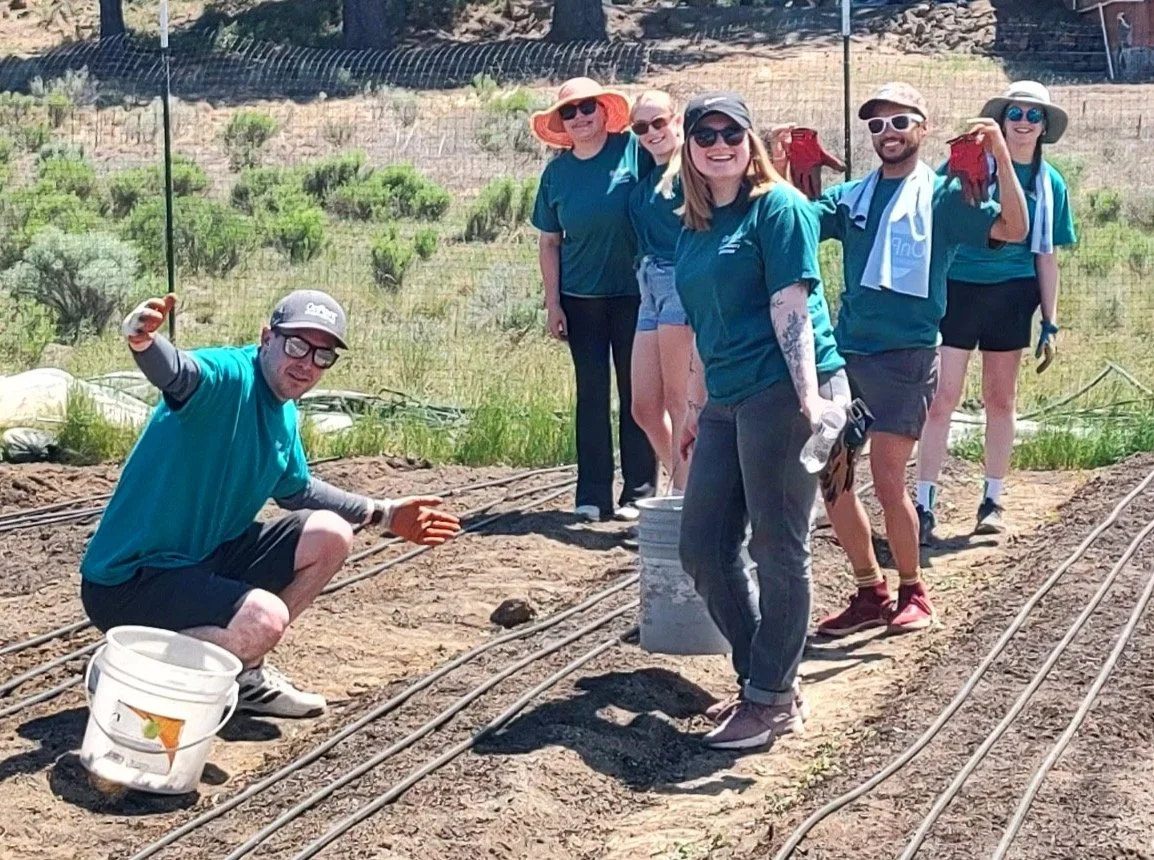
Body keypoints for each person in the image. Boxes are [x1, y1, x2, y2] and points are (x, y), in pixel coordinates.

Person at [80, 290, 462, 718]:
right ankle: (129, 668)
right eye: (297, 345)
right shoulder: (229, 377)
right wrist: (144, 343)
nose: (306, 363)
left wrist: (386, 513)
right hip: (130, 577)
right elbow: (179, 373)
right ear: (267, 337)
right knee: (264, 619)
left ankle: (243, 673)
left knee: (330, 536)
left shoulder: (283, 410)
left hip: (205, 556)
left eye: (322, 355)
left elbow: (297, 491)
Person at [775, 82, 1028, 638]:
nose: (886, 133)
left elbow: (1014, 229)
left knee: (889, 478)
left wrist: (1003, 158)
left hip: (908, 356)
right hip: (848, 357)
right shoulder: (855, 197)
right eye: (876, 125)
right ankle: (870, 591)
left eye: (898, 122)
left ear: (922, 128)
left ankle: (914, 589)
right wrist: (778, 167)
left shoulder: (942, 197)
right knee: (834, 480)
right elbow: (793, 221)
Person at [674, 93, 849, 750]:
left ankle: (771, 700)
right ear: (690, 147)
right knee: (702, 546)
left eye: (731, 132)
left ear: (752, 142)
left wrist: (809, 400)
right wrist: (694, 408)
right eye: (705, 134)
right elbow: (701, 324)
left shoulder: (780, 209)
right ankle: (764, 679)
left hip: (783, 389)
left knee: (777, 546)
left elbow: (791, 306)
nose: (719, 144)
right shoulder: (692, 225)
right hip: (726, 395)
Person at [916, 81, 1076, 540]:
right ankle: (924, 501)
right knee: (941, 398)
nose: (1024, 122)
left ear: (1044, 126)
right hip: (958, 286)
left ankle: (992, 499)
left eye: (1033, 116)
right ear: (1002, 121)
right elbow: (939, 219)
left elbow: (1046, 254)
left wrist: (1050, 321)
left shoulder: (1051, 184)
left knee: (1000, 399)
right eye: (1016, 114)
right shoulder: (968, 165)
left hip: (1012, 292)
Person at [530, 77, 658, 522]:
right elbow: (550, 242)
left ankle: (640, 490)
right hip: (579, 299)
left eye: (588, 109)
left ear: (605, 111)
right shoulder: (556, 174)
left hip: (636, 295)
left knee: (637, 392)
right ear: (561, 123)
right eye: (570, 112)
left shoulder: (634, 152)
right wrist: (553, 304)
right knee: (591, 395)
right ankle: (592, 495)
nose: (580, 118)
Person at [626, 89, 693, 492]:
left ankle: (690, 502)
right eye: (641, 127)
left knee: (678, 400)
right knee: (644, 407)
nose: (651, 132)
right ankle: (694, 487)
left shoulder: (690, 168)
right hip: (648, 283)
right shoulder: (649, 172)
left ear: (677, 122)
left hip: (678, 280)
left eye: (658, 122)